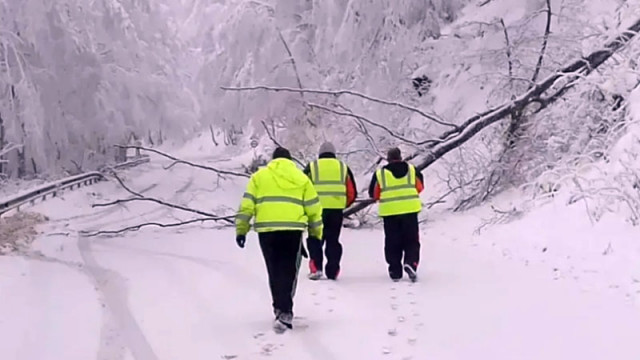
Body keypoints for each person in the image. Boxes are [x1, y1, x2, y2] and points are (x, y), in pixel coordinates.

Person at [235, 147, 323, 332]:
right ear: (290, 160)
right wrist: (315, 234)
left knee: (274, 270)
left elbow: (247, 204)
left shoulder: (259, 177)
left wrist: (241, 229)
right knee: (289, 271)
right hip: (293, 230)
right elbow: (314, 209)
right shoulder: (302, 178)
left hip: (267, 231)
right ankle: (285, 310)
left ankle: (279, 307)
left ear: (273, 160)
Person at [302, 142, 357, 280]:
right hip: (335, 211)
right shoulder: (342, 167)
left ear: (320, 154)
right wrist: (343, 204)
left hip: (315, 211)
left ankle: (316, 268)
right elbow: (352, 192)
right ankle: (333, 270)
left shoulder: (312, 167)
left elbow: (302, 188)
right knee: (333, 240)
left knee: (315, 240)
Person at [368, 147, 424, 282]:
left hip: (390, 213)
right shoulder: (412, 170)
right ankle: (410, 263)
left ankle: (395, 270)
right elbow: (420, 187)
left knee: (392, 242)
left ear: (388, 159)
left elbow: (374, 194)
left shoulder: (380, 174)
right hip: (410, 211)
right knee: (411, 241)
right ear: (400, 157)